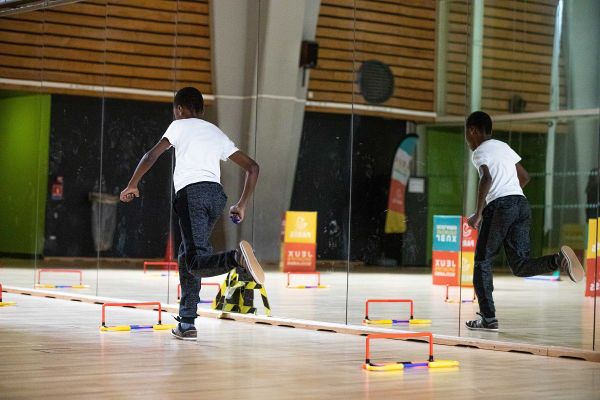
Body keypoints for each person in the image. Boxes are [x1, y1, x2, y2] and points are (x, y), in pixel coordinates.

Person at [120, 87, 263, 341]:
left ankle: (236, 259)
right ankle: (187, 323)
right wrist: (241, 204)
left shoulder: (179, 126)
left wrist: (133, 184)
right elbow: (253, 167)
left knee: (196, 260)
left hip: (191, 195)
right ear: (202, 110)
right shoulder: (215, 132)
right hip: (216, 197)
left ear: (179, 109)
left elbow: (151, 155)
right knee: (188, 254)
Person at [464, 111, 584, 332]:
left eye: (467, 134)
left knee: (482, 262)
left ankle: (488, 319)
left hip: (500, 207)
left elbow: (486, 178)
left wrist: (478, 213)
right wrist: (511, 196)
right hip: (521, 204)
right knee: (519, 265)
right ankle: (557, 260)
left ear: (473, 130)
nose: (468, 141)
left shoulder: (480, 152)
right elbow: (525, 177)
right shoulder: (503, 146)